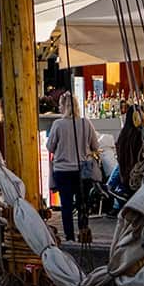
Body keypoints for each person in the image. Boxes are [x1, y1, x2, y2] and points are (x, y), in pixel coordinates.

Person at [47, 92, 101, 241]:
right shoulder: (86, 123)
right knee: (82, 204)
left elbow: (50, 147)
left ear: (63, 107)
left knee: (66, 205)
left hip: (63, 170)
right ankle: (84, 233)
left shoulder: (58, 124)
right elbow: (95, 146)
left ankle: (69, 236)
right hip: (83, 168)